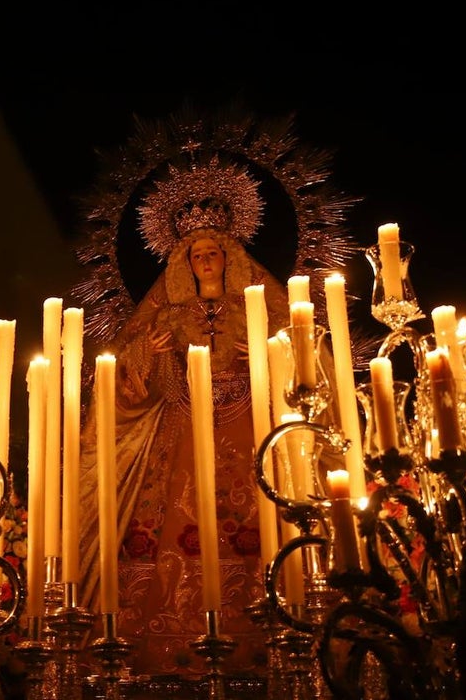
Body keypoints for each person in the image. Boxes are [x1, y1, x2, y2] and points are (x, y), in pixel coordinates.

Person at [77, 158, 294, 678]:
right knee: (172, 522)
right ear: (183, 264)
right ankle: (163, 637)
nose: (206, 262)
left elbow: (305, 362)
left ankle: (274, 633)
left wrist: (266, 355)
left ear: (230, 257)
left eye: (214, 252)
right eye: (196, 256)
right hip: (179, 430)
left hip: (248, 428)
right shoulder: (166, 314)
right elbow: (124, 379)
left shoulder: (259, 309)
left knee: (257, 519)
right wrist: (148, 356)